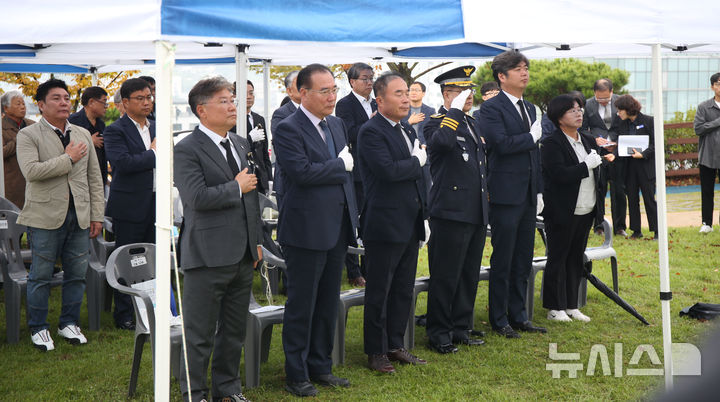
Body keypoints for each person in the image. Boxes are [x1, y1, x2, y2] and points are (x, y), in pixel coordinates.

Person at [174, 77, 262, 402]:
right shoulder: (186, 149)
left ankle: (227, 389)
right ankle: (194, 394)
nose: (232, 106)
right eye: (224, 101)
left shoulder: (239, 143)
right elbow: (195, 198)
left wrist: (256, 243)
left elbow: (252, 199)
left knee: (234, 331)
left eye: (232, 100)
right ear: (202, 109)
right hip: (206, 255)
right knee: (198, 335)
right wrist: (235, 187)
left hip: (241, 255)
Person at [274, 64, 358, 397]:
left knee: (327, 301)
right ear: (302, 92)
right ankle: (296, 372)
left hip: (336, 226)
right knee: (302, 304)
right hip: (305, 229)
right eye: (324, 91)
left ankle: (321, 366)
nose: (331, 97)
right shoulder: (288, 127)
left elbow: (345, 177)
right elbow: (301, 172)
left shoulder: (337, 124)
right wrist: (339, 166)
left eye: (334, 90)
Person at [16, 78, 104, 350]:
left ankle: (69, 323)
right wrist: (68, 159)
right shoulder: (28, 135)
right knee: (40, 275)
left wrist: (96, 214)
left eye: (66, 97)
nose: (64, 102)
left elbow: (94, 178)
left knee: (77, 273)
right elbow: (31, 172)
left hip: (79, 214)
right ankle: (39, 328)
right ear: (41, 105)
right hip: (44, 216)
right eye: (56, 98)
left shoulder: (80, 134)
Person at [358, 72, 428, 373]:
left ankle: (395, 344)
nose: (405, 99)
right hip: (385, 223)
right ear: (380, 99)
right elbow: (388, 171)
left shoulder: (406, 130)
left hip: (409, 221)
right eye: (398, 94)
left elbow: (416, 179)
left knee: (402, 288)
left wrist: (423, 216)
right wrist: (416, 163)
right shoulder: (371, 131)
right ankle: (376, 351)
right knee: (380, 290)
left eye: (406, 93)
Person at [477, 50, 547, 338]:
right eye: (518, 69)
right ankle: (499, 317)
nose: (525, 73)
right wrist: (530, 137)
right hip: (505, 193)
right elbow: (500, 144)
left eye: (526, 68)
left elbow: (535, 155)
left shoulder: (530, 108)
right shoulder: (491, 109)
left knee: (523, 257)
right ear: (502, 76)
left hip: (528, 193)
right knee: (503, 257)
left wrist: (539, 189)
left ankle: (519, 315)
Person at [423, 66, 488, 354]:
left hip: (474, 209)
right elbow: (442, 144)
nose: (469, 96)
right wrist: (455, 113)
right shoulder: (436, 122)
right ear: (447, 94)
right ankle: (439, 331)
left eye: (470, 91)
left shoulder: (472, 124)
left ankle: (461, 327)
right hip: (449, 210)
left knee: (467, 273)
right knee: (446, 274)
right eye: (462, 92)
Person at [541, 94, 615, 323]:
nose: (578, 113)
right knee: (558, 258)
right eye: (571, 110)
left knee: (576, 258)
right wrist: (585, 166)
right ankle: (555, 307)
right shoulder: (552, 143)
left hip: (587, 206)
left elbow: (598, 172)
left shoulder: (588, 140)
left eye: (579, 109)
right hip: (563, 209)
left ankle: (572, 305)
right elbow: (559, 175)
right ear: (558, 117)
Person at [103, 78, 156, 330]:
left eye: (149, 97)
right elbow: (122, 164)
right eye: (141, 98)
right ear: (125, 102)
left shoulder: (156, 128)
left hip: (156, 204)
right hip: (130, 206)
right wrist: (154, 154)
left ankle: (152, 309)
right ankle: (124, 313)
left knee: (152, 260)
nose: (147, 102)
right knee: (127, 259)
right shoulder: (116, 130)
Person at [336, 62, 376, 287]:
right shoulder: (345, 104)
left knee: (372, 221)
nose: (369, 82)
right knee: (354, 221)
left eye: (371, 78)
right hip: (357, 171)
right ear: (352, 82)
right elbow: (348, 133)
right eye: (364, 78)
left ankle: (369, 266)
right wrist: (372, 123)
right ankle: (353, 270)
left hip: (375, 171)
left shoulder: (376, 102)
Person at [582, 79, 626, 237]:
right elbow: (582, 129)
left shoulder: (621, 102)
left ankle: (620, 227)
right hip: (597, 154)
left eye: (606, 99)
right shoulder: (587, 105)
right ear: (594, 94)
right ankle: (598, 225)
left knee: (619, 191)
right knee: (598, 189)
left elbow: (627, 127)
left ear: (612, 92)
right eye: (599, 99)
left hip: (617, 152)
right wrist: (594, 139)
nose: (603, 102)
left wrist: (617, 145)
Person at [615, 94, 657, 239]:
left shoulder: (648, 121)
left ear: (628, 109)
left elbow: (655, 144)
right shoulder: (622, 123)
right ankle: (636, 230)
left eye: (620, 110)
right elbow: (621, 143)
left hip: (646, 167)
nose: (618, 113)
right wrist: (614, 153)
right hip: (629, 167)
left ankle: (657, 229)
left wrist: (643, 154)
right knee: (632, 199)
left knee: (649, 199)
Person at [694, 72, 720, 233]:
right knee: (707, 191)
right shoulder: (704, 107)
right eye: (718, 84)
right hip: (708, 156)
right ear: (712, 87)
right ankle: (707, 223)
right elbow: (698, 128)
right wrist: (718, 122)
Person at [270, 70, 300, 208]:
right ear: (289, 91)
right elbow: (282, 148)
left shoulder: (318, 113)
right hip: (289, 182)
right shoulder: (281, 114)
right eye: (299, 83)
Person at [68, 86, 109, 187]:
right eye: (104, 102)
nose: (106, 106)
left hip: (98, 177)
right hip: (79, 179)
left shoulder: (101, 124)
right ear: (91, 102)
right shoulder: (72, 122)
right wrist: (89, 141)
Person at [1, 90, 34, 208]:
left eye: (23, 104)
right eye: (18, 104)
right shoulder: (1, 127)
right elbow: (2, 153)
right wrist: (19, 139)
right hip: (12, 185)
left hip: (34, 182)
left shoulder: (33, 125)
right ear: (6, 108)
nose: (22, 107)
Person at [244, 80, 272, 195]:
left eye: (251, 93)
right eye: (245, 94)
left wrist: (269, 178)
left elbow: (264, 151)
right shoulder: (232, 120)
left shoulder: (259, 119)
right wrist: (249, 139)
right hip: (244, 178)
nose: (249, 97)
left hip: (260, 178)